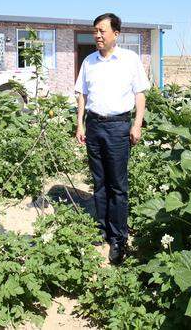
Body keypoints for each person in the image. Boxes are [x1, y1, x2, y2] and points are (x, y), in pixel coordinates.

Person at [74, 13, 150, 264]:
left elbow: (140, 94)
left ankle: (118, 238)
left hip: (118, 126)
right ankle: (102, 229)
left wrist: (137, 124)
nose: (97, 35)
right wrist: (80, 124)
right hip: (94, 125)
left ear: (116, 33)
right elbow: (82, 95)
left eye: (102, 31)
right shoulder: (89, 62)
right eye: (95, 31)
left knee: (117, 185)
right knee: (99, 181)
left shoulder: (129, 60)